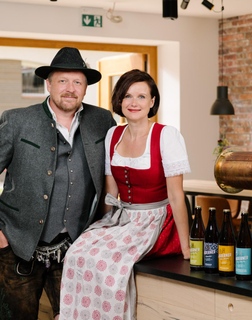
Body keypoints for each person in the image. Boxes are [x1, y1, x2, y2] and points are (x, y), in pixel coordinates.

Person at [0, 47, 116, 320]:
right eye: (62, 81)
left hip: (76, 247)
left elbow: (118, 168)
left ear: (86, 88)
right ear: (48, 84)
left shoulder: (102, 120)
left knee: (77, 316)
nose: (70, 88)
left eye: (77, 82)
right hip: (17, 247)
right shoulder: (17, 121)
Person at [59, 69, 191, 319]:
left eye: (142, 97)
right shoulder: (113, 135)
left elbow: (176, 196)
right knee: (77, 252)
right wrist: (100, 227)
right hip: (123, 218)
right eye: (128, 96)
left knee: (110, 263)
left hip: (157, 220)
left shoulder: (166, 135)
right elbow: (111, 192)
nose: (134, 103)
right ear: (119, 100)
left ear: (152, 102)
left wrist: (186, 247)